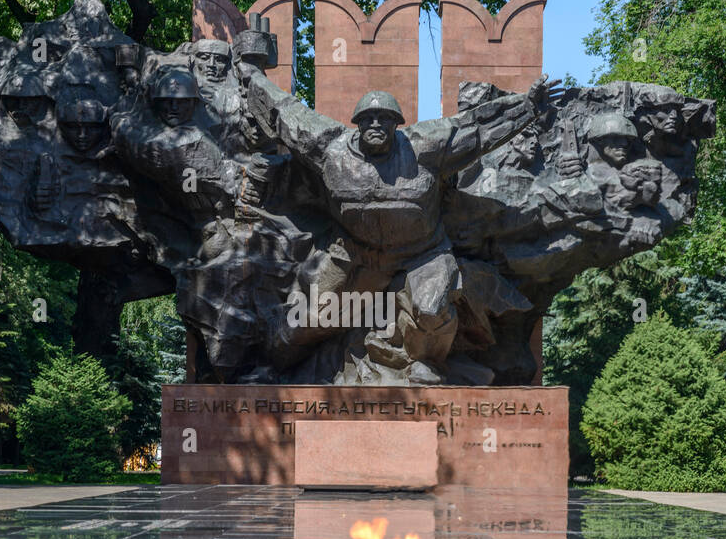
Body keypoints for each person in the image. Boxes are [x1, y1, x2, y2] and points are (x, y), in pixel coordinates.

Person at [240, 66, 560, 382]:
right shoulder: (330, 149)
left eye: (385, 119)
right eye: (368, 118)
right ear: (357, 124)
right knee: (306, 318)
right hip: (354, 253)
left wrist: (526, 107)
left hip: (423, 253)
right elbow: (287, 113)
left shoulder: (425, 146)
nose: (376, 124)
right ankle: (270, 365)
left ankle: (426, 363)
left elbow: (474, 129)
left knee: (432, 306)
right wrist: (251, 75)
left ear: (396, 124)